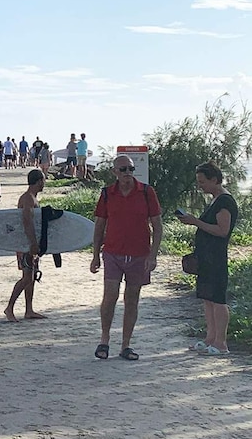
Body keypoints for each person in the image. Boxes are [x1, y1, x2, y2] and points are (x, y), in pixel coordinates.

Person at [90, 155, 162, 361]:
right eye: (123, 170)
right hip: (113, 253)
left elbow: (157, 226)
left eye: (130, 169)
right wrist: (95, 255)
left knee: (132, 299)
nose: (127, 173)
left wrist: (153, 255)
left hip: (139, 255)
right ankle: (104, 341)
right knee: (110, 296)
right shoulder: (107, 194)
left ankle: (126, 345)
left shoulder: (147, 192)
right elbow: (99, 226)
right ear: (115, 172)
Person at [177, 162, 238, 356]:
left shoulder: (225, 202)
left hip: (216, 257)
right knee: (207, 298)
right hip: (205, 257)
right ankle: (210, 337)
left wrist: (196, 222)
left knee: (218, 299)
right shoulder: (215, 200)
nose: (200, 186)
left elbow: (222, 231)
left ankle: (221, 342)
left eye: (202, 182)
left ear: (214, 179)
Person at [5, 170, 46, 322]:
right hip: (25, 244)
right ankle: (9, 308)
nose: (45, 183)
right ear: (39, 181)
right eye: (43, 180)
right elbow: (27, 221)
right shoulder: (28, 198)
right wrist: (33, 243)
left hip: (30, 243)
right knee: (26, 277)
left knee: (32, 276)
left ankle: (29, 310)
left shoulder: (33, 198)